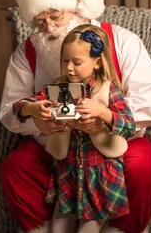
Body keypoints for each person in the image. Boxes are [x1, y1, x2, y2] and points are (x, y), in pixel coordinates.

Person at [0, 0, 151, 233]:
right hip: (57, 146)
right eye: (40, 22)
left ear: (78, 9)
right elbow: (11, 109)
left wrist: (103, 117)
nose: (50, 28)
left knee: (143, 169)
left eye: (56, 16)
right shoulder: (27, 52)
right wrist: (37, 122)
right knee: (14, 168)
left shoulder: (122, 40)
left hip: (115, 141)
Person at [14, 25, 136, 233]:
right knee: (57, 228)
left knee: (87, 230)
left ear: (97, 62)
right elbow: (19, 106)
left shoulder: (107, 88)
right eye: (65, 60)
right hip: (68, 171)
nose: (69, 68)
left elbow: (129, 125)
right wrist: (32, 109)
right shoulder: (59, 88)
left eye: (77, 62)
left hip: (100, 173)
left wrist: (102, 112)